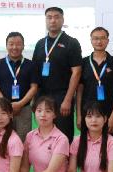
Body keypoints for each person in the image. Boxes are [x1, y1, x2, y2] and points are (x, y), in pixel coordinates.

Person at [31, 7, 82, 141]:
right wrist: (34, 99)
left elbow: (76, 72)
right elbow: (35, 72)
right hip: (42, 96)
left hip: (62, 96)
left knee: (63, 136)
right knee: (43, 135)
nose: (53, 20)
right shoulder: (40, 44)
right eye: (49, 17)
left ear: (62, 20)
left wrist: (68, 99)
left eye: (56, 17)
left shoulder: (72, 42)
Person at [0, 31, 38, 141]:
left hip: (24, 109)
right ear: (6, 46)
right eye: (11, 44)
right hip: (3, 110)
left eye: (18, 44)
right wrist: (5, 104)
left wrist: (20, 104)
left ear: (23, 46)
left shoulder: (31, 65)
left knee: (23, 140)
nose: (14, 47)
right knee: (2, 139)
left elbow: (34, 87)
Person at [76, 27, 113, 136]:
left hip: (108, 113)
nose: (99, 41)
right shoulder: (83, 63)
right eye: (95, 38)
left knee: (108, 144)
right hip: (87, 114)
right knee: (87, 144)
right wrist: (79, 115)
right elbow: (79, 91)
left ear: (107, 40)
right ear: (91, 40)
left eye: (102, 38)